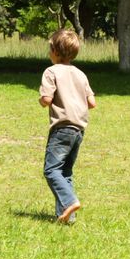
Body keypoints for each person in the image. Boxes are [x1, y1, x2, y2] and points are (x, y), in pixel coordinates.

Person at [38, 28, 96, 224]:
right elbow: (92, 102)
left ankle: (70, 201)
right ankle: (66, 216)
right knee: (65, 172)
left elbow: (46, 99)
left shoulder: (51, 71)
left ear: (54, 51)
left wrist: (42, 100)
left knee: (51, 170)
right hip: (79, 130)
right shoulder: (80, 74)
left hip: (62, 128)